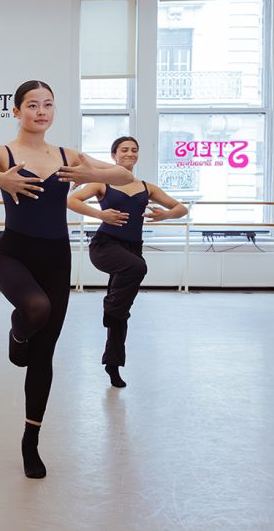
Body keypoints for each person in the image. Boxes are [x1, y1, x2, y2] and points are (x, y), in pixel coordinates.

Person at [0, 80, 133, 479]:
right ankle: (17, 332)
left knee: (44, 356)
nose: (41, 111)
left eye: (48, 104)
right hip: (13, 253)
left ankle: (31, 441)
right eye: (32, 105)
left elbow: (119, 172)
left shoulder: (66, 156)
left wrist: (88, 169)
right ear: (16, 111)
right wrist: (1, 180)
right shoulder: (4, 153)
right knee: (34, 308)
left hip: (56, 259)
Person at [67, 136, 188, 388]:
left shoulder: (147, 187)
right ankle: (110, 307)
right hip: (105, 245)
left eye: (134, 149)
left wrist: (166, 215)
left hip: (132, 248)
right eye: (124, 150)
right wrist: (100, 214)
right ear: (114, 156)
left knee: (121, 314)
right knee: (135, 271)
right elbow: (70, 200)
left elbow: (181, 208)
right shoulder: (102, 183)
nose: (130, 153)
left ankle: (113, 366)